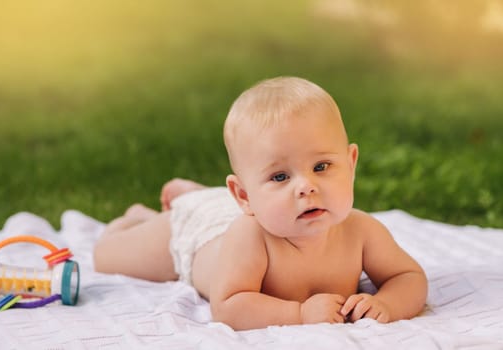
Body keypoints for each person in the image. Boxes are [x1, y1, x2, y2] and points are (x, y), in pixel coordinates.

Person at [93, 76, 428, 330]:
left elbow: (409, 277)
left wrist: (386, 303)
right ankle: (142, 216)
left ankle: (193, 192)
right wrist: (299, 313)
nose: (306, 187)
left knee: (228, 201)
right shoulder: (250, 237)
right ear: (243, 196)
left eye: (321, 167)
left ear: (351, 163)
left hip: (246, 208)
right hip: (198, 233)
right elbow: (228, 305)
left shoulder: (361, 230)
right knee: (104, 256)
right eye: (281, 177)